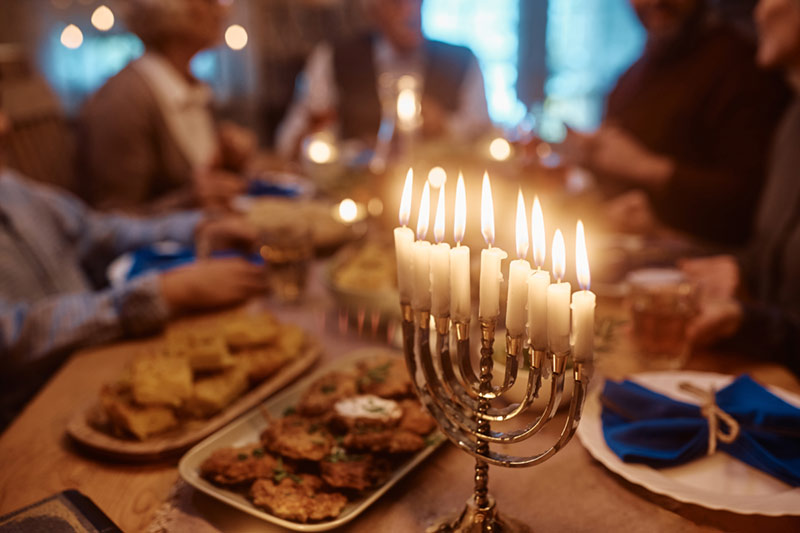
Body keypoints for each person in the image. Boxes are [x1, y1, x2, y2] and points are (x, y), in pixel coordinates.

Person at [0, 110, 267, 430]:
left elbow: (100, 232)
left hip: (93, 379)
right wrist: (164, 293)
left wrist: (198, 230)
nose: (5, 124)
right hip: (25, 427)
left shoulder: (13, 191)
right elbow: (11, 338)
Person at [561, 0, 790, 246]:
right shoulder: (631, 77)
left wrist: (646, 167)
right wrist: (591, 159)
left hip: (707, 265)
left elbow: (750, 202)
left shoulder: (743, 67)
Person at [680, 0, 800, 375]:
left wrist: (749, 323)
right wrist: (740, 270)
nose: (759, 11)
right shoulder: (793, 122)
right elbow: (777, 262)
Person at [78, 0, 256, 214]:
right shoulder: (124, 100)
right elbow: (110, 221)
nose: (224, 9)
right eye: (208, 2)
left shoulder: (189, 88)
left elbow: (194, 183)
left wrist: (229, 165)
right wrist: (187, 203)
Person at [275, 0, 491, 158]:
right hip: (355, 192)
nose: (411, 11)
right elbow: (289, 142)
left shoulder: (462, 60)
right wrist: (316, 134)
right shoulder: (332, 58)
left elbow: (484, 135)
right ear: (373, 11)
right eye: (397, 3)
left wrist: (445, 126)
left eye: (418, 2)